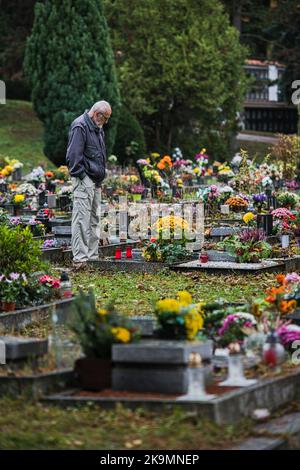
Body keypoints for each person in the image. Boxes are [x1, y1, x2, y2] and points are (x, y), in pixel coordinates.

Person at [66, 100, 112, 269]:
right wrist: (83, 177)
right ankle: (80, 259)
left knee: (94, 220)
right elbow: (73, 157)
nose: (106, 122)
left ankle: (92, 257)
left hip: (96, 180)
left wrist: (98, 180)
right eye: (105, 118)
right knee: (81, 220)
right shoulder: (80, 126)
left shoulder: (98, 129)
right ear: (96, 114)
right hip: (83, 179)